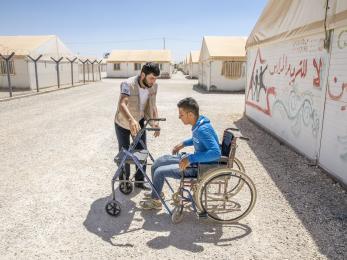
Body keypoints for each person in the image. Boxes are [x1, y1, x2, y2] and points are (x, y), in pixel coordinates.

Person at [140, 97, 221, 209]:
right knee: (157, 163)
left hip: (199, 166)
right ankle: (157, 192)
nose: (179, 117)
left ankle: (155, 201)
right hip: (194, 160)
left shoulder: (203, 129)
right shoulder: (199, 123)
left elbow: (216, 153)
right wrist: (184, 143)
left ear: (191, 115)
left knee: (159, 172)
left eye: (181, 114)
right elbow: (197, 139)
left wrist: (190, 159)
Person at [114, 62, 161, 190]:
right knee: (124, 152)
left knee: (141, 150)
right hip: (123, 122)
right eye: (151, 78)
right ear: (143, 75)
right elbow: (122, 104)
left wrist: (155, 122)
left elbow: (153, 104)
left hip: (139, 121)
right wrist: (130, 120)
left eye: (155, 78)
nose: (153, 81)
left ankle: (140, 181)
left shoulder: (154, 86)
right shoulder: (127, 84)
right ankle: (124, 181)